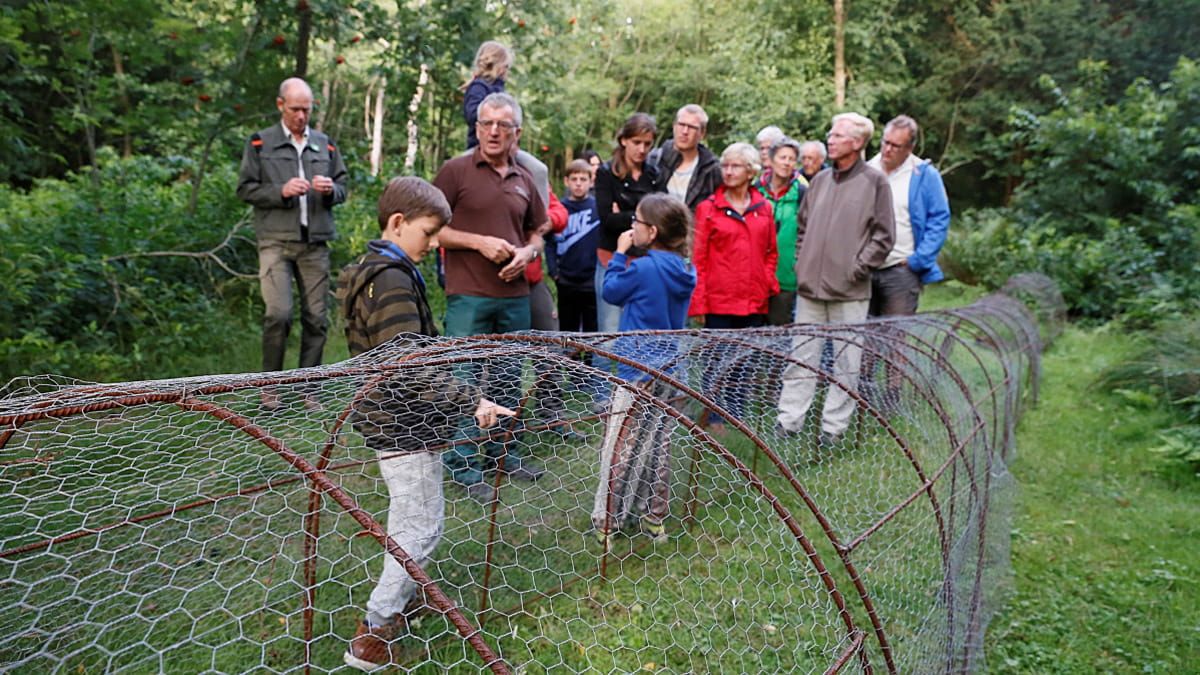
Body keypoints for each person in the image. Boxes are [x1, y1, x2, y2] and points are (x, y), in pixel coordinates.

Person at [336, 176, 515, 671]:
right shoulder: (390, 278)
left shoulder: (377, 271)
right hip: (400, 423)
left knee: (408, 517)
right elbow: (406, 366)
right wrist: (470, 400)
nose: (435, 243)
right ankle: (376, 627)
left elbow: (408, 350)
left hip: (395, 419)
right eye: (429, 232)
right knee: (424, 526)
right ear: (398, 223)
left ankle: (406, 594)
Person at [433, 92, 547, 495]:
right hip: (468, 294)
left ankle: (503, 455)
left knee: (508, 377)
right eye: (486, 123)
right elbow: (432, 229)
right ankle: (463, 466)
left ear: (517, 132)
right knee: (463, 378)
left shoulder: (525, 178)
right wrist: (477, 242)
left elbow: (537, 231)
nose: (493, 131)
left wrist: (527, 252)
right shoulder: (455, 171)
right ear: (477, 128)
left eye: (503, 125)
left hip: (514, 294)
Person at [776, 113, 895, 451]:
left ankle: (833, 430)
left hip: (850, 292)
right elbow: (802, 229)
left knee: (846, 364)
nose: (830, 139)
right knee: (800, 359)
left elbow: (884, 237)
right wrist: (802, 263)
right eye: (830, 133)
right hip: (810, 290)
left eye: (838, 135)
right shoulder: (820, 181)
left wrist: (856, 268)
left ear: (857, 143)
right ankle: (788, 422)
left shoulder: (876, 183)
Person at [592, 193, 696, 549]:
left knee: (621, 445)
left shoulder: (642, 267)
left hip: (636, 371)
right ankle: (654, 518)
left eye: (635, 221)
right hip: (670, 371)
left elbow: (610, 291)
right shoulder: (685, 269)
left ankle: (608, 519)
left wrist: (619, 255)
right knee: (658, 447)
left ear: (651, 231)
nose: (630, 227)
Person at [237, 77, 347, 410]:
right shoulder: (260, 143)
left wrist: (331, 190)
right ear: (281, 104)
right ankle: (270, 387)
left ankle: (308, 389)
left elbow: (343, 186)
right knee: (279, 314)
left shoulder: (325, 144)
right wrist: (280, 191)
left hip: (315, 244)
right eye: (296, 108)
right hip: (275, 241)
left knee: (317, 317)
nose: (302, 115)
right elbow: (245, 189)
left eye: (307, 109)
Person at [690, 142, 778, 431]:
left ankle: (736, 414)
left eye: (735, 166)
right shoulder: (708, 208)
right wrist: (699, 303)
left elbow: (771, 253)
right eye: (725, 166)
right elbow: (698, 259)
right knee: (717, 361)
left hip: (752, 299)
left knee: (744, 362)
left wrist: (765, 282)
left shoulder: (764, 208)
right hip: (719, 299)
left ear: (751, 171)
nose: (727, 171)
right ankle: (714, 416)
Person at [865, 115, 951, 316]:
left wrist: (918, 260)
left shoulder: (924, 175)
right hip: (865, 268)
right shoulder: (866, 170)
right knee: (861, 339)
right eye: (885, 142)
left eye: (896, 146)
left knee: (894, 338)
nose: (887, 150)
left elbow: (939, 220)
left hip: (900, 270)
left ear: (909, 148)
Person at [593, 113, 665, 332]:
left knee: (644, 332)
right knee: (609, 331)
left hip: (646, 261)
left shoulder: (653, 174)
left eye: (647, 144)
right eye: (636, 143)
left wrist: (624, 214)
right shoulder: (606, 173)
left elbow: (664, 217)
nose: (642, 150)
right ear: (624, 140)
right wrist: (643, 218)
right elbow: (607, 220)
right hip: (612, 259)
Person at [757, 136, 808, 326]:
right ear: (770, 160)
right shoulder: (755, 190)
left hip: (786, 276)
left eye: (791, 159)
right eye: (782, 157)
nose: (787, 163)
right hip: (756, 275)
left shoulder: (802, 193)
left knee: (778, 335)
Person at [555, 159, 602, 334]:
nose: (578, 184)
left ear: (591, 182)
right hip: (566, 279)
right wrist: (554, 271)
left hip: (591, 279)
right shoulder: (560, 209)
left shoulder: (597, 208)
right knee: (567, 330)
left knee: (591, 330)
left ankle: (588, 362)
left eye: (583, 179)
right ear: (566, 181)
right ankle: (567, 361)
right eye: (574, 179)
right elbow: (550, 242)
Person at [648, 104, 722, 212]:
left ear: (702, 133)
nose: (685, 132)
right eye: (681, 125)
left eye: (692, 127)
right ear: (674, 126)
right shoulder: (654, 160)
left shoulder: (712, 170)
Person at [462, 41, 513, 149]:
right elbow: (472, 116)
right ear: (498, 66)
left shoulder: (500, 90)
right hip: (479, 147)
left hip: (502, 147)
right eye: (506, 66)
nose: (507, 70)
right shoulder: (478, 87)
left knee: (536, 166)